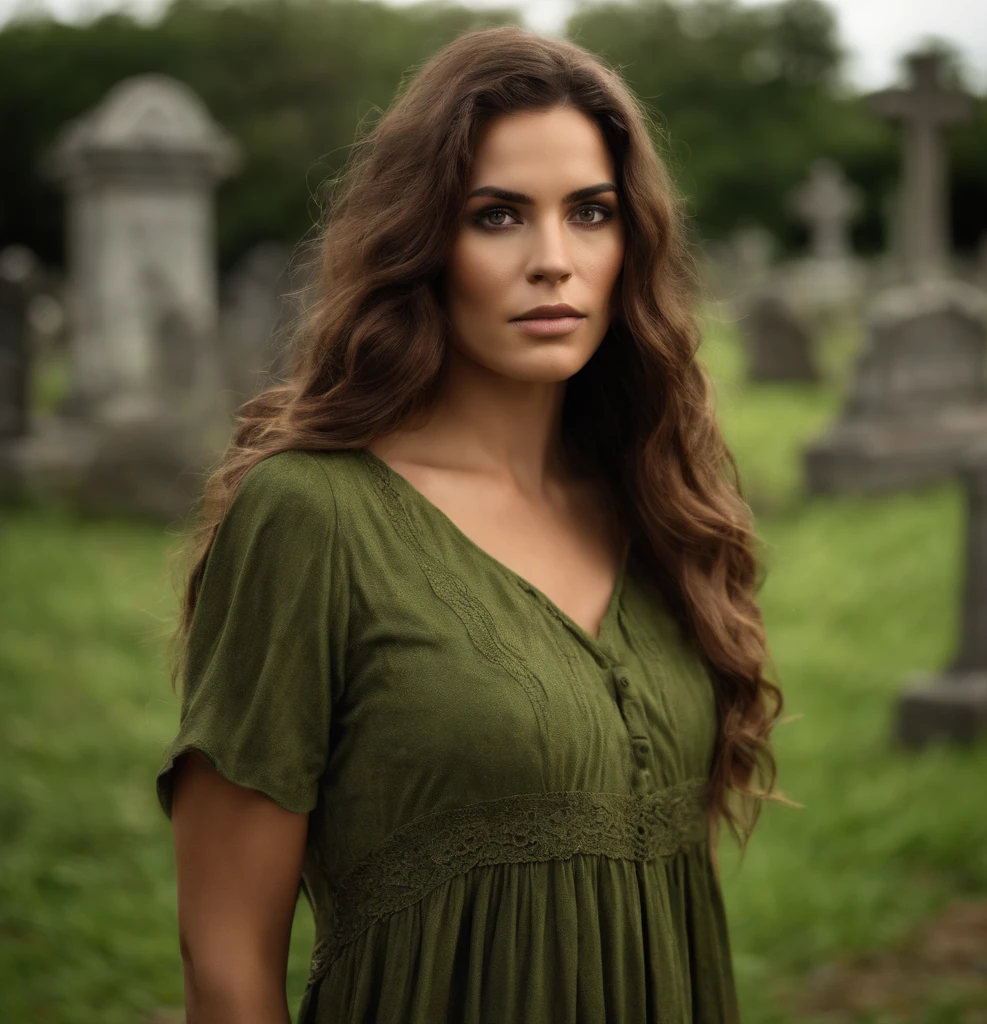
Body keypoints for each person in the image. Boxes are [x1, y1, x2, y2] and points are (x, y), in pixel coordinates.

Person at [156, 23, 787, 1024]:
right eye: (497, 216)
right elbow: (224, 964)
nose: (553, 260)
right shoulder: (310, 517)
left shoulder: (654, 504)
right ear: (422, 241)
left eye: (590, 212)